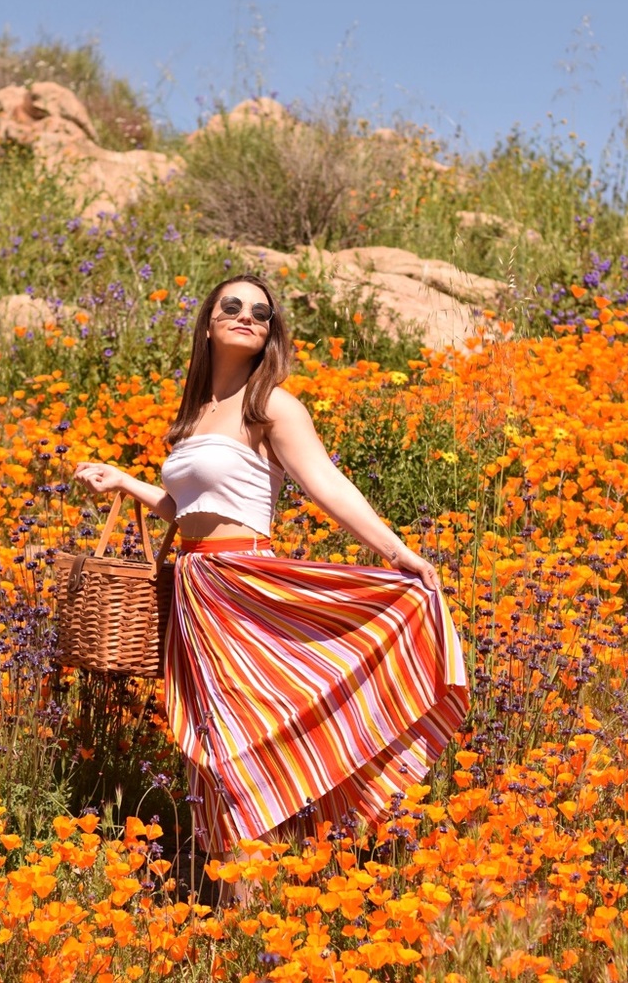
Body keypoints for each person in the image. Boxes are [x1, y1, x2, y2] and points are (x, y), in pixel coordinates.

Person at [75, 273, 469, 859]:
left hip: (245, 585)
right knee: (212, 739)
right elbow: (189, 513)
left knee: (250, 733)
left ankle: (274, 875)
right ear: (208, 323)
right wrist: (125, 480)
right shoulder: (196, 415)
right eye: (231, 306)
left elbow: (327, 485)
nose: (246, 316)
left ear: (270, 334)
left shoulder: (272, 406)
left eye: (260, 313)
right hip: (196, 592)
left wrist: (398, 553)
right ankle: (232, 888)